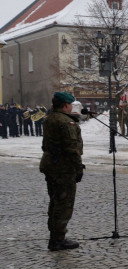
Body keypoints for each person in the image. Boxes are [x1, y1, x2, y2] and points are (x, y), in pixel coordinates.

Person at [39, 92, 85, 251]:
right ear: (66, 105)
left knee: (55, 201)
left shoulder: (50, 118)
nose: (72, 107)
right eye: (71, 104)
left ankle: (55, 236)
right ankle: (58, 239)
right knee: (63, 204)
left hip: (51, 165)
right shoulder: (66, 122)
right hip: (63, 168)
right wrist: (78, 167)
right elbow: (71, 148)